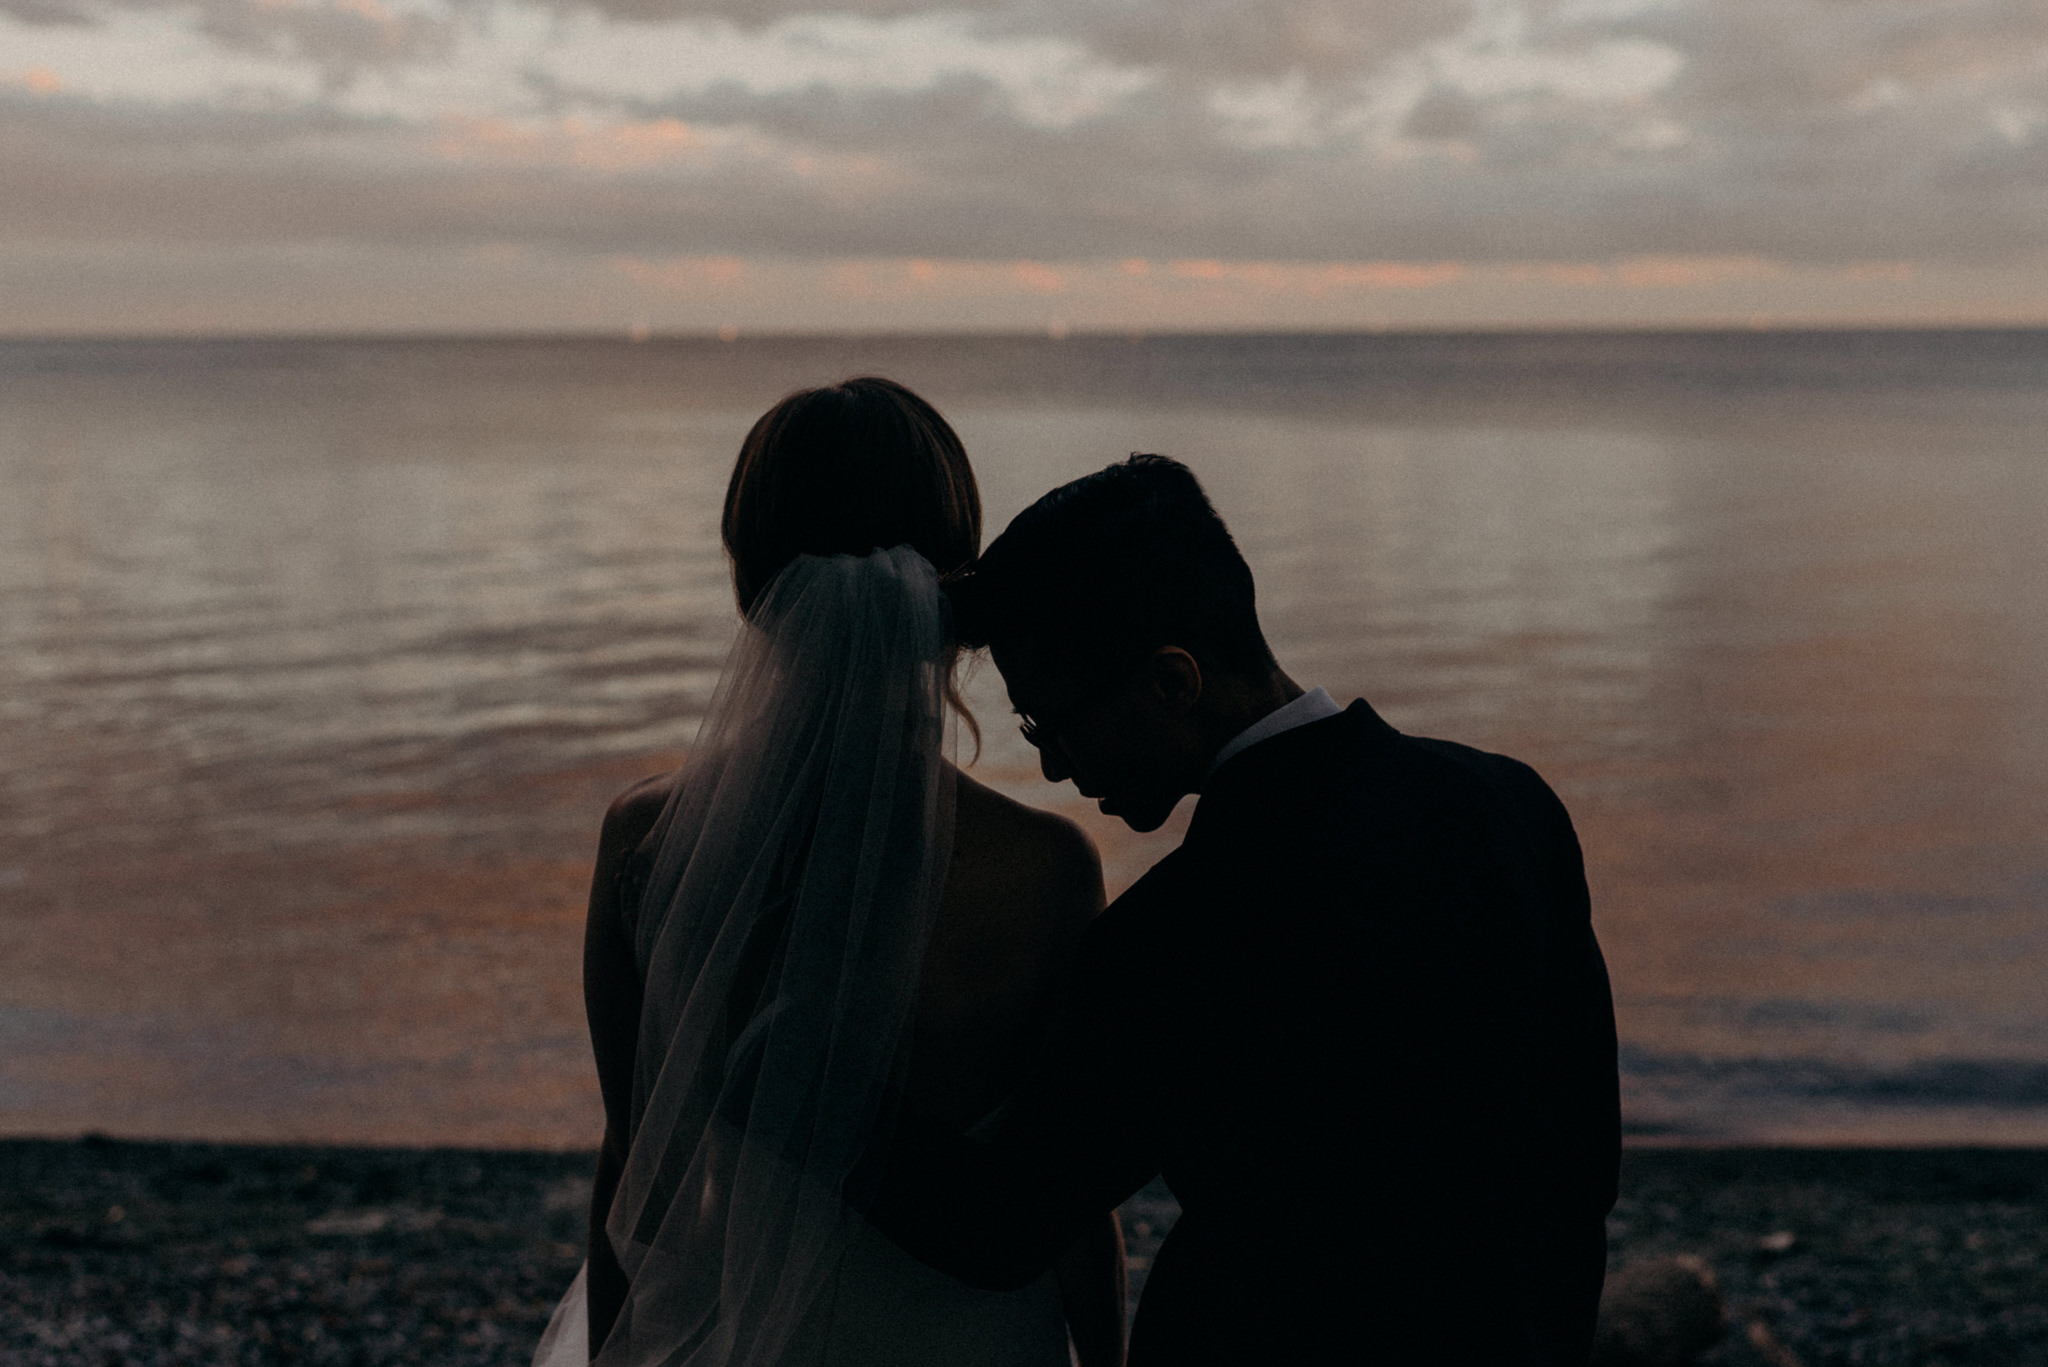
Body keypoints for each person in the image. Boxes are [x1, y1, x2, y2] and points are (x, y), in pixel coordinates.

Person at [870, 454, 1621, 1365]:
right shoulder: (1510, 803)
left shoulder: (1175, 935)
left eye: (1055, 725)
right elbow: (1580, 1165)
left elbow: (1000, 1222)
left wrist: (797, 1092)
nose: (1056, 767)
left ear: (1174, 681)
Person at [532, 379, 1126, 1367]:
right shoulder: (1045, 867)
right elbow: (1068, 1204)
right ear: (952, 587)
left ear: (752, 591)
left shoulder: (647, 842)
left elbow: (636, 1169)